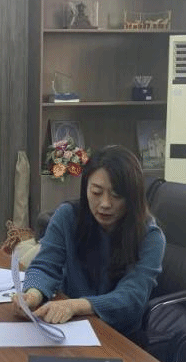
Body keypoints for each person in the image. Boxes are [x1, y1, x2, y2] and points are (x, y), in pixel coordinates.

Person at [15, 144, 165, 338]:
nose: (105, 204)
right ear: (85, 189)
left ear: (132, 198)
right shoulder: (67, 217)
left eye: (116, 195)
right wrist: (33, 294)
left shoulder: (150, 237)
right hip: (69, 324)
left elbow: (131, 297)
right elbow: (45, 265)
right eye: (96, 192)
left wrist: (76, 306)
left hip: (119, 335)